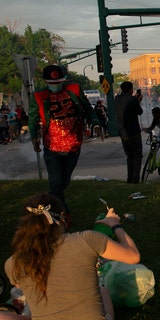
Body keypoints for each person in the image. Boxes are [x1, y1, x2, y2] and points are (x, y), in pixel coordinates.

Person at [2, 193, 140, 320]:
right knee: (103, 290)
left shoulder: (13, 263)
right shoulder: (87, 239)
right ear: (62, 217)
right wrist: (114, 225)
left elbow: (19, 285)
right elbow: (133, 256)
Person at [29, 65, 102, 213]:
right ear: (46, 82)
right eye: (52, 83)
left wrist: (95, 123)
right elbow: (33, 119)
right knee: (55, 183)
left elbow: (88, 108)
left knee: (64, 182)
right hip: (52, 148)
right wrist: (34, 139)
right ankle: (62, 213)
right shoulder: (38, 96)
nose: (55, 86)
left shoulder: (74, 89)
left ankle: (47, 203)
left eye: (58, 82)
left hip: (73, 146)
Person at [115, 81, 144, 184]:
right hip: (133, 131)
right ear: (131, 90)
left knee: (129, 156)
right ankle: (135, 178)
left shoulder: (117, 99)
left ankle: (129, 178)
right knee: (137, 155)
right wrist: (138, 100)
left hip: (123, 132)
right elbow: (139, 112)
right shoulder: (133, 99)